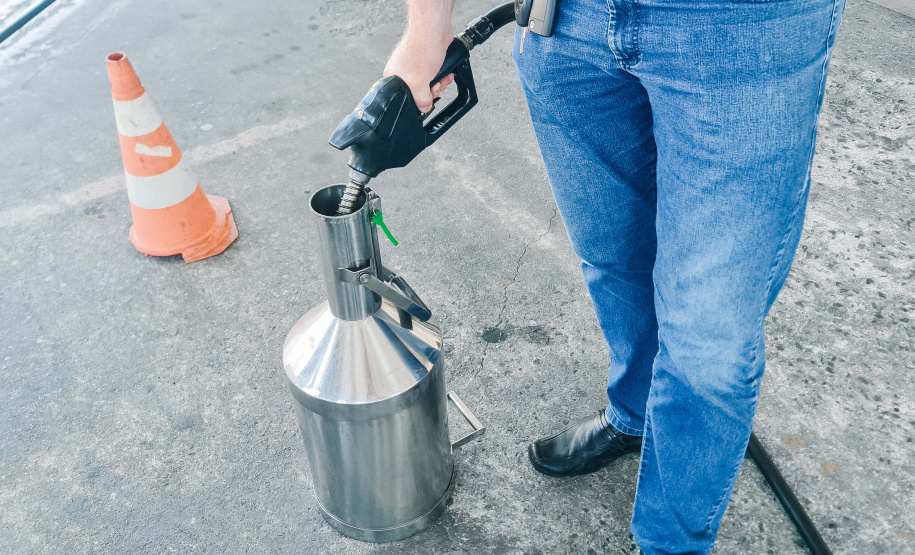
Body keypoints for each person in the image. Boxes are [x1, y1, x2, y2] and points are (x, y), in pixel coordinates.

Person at [384, 0, 845, 553]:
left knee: (706, 350)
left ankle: (669, 545)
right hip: (569, 25)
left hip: (743, 33)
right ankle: (635, 412)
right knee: (617, 261)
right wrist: (426, 29)